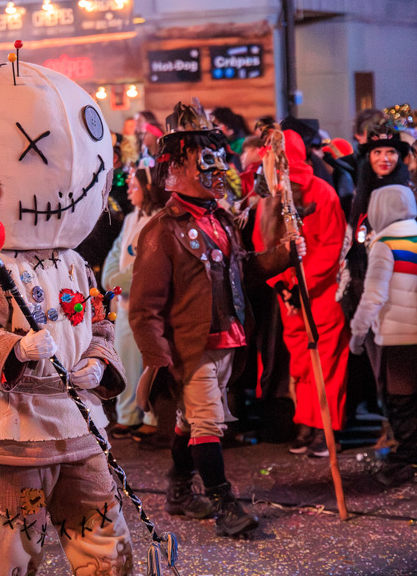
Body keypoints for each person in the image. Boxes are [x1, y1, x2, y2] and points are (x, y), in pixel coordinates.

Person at [0, 58, 177, 576]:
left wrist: (97, 360)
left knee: (100, 519)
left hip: (76, 417)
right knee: (10, 532)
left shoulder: (74, 262)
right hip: (12, 419)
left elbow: (96, 318)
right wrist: (14, 350)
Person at [129, 102, 293, 536]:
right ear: (175, 169)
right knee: (206, 422)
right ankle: (224, 502)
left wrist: (285, 254)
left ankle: (180, 489)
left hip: (229, 340)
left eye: (220, 157)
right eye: (206, 159)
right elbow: (143, 307)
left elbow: (245, 269)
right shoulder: (160, 231)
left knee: (190, 421)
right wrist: (161, 359)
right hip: (192, 346)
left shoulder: (221, 220)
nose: (219, 167)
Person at [254, 128, 348, 457]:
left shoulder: (321, 193)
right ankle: (307, 422)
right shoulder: (270, 198)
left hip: (321, 293)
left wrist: (301, 287)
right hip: (289, 296)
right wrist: (282, 286)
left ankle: (327, 427)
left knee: (327, 363)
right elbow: (261, 247)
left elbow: (330, 248)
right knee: (301, 364)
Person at [350, 185, 417, 487]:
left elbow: (374, 294)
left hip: (399, 335)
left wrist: (357, 331)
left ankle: (406, 460)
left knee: (401, 401)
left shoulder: (385, 244)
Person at [102, 168, 168, 440]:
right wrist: (111, 279)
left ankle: (152, 417)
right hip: (127, 304)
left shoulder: (161, 220)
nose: (129, 191)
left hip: (151, 306)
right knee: (126, 361)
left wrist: (122, 281)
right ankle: (128, 416)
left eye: (134, 186)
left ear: (148, 189)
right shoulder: (131, 219)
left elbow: (151, 266)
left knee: (149, 361)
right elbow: (116, 253)